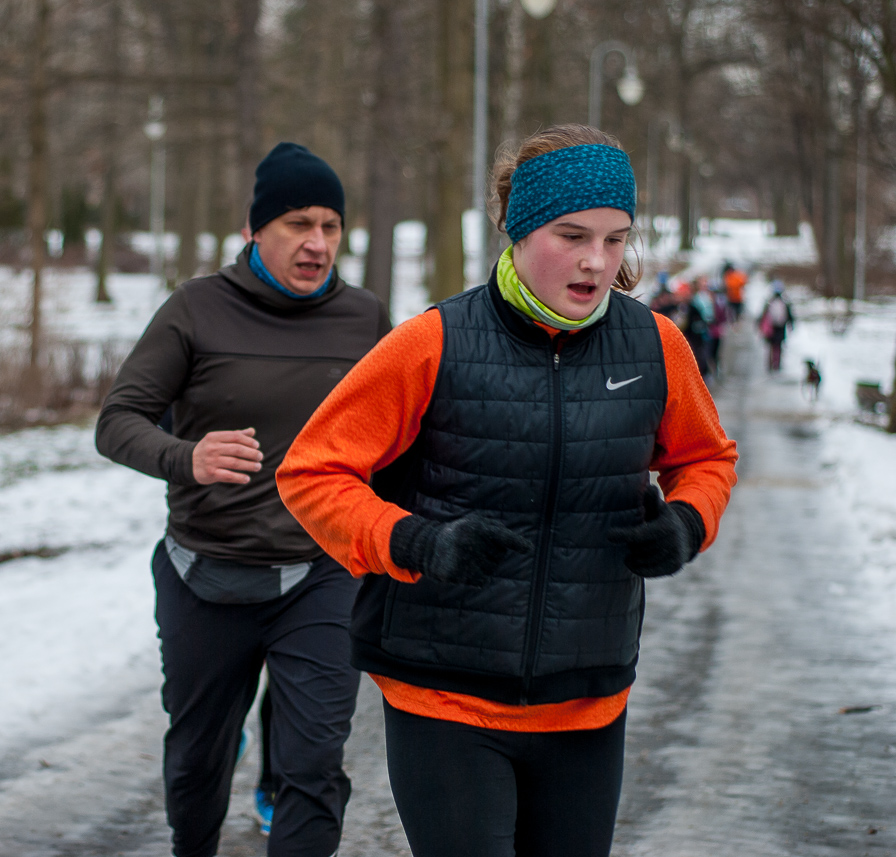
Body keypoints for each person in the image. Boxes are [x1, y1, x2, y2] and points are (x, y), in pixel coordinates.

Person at [276, 124, 738, 857]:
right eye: (572, 234)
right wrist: (415, 540)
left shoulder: (655, 345)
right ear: (518, 230)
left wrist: (685, 522)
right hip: (445, 695)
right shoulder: (432, 342)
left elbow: (707, 459)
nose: (596, 260)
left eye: (616, 239)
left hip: (588, 697)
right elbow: (311, 471)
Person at [95, 141, 390, 857]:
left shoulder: (364, 319)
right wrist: (186, 457)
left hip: (320, 573)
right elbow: (117, 422)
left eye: (330, 225)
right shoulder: (197, 309)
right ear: (255, 230)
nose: (317, 243)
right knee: (199, 762)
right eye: (297, 224)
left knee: (313, 763)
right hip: (207, 572)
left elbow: (402, 432)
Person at [759, 280, 794, 372]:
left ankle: (770, 364)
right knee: (778, 346)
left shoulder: (769, 302)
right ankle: (777, 364)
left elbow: (763, 315)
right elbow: (790, 315)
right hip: (780, 327)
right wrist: (791, 325)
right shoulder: (784, 302)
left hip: (771, 328)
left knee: (771, 346)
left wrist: (760, 325)